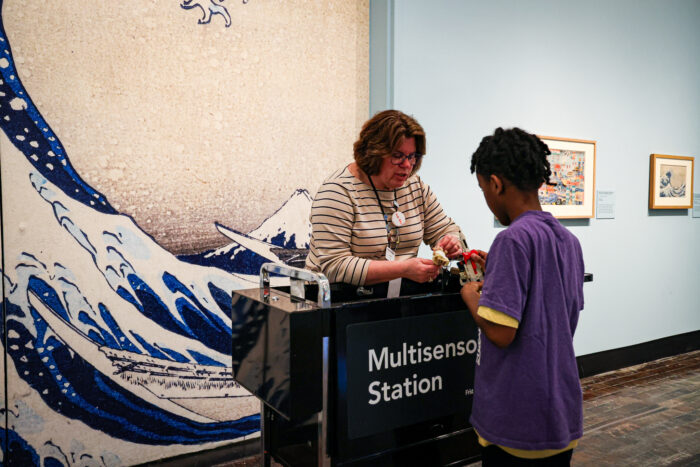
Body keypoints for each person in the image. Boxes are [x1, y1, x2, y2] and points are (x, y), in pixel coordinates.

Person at [460, 127, 585, 466]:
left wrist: (471, 295)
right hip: (560, 413)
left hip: (517, 419)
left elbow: (502, 332)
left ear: (496, 184)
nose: (487, 198)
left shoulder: (512, 240)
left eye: (484, 188)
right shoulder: (568, 241)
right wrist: (497, 271)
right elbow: (552, 308)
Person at [305, 109, 465, 286]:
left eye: (412, 157)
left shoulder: (415, 186)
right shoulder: (338, 192)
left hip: (392, 298)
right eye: (397, 156)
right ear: (373, 152)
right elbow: (335, 266)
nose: (407, 166)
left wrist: (451, 241)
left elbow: (445, 229)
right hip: (336, 302)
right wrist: (403, 269)